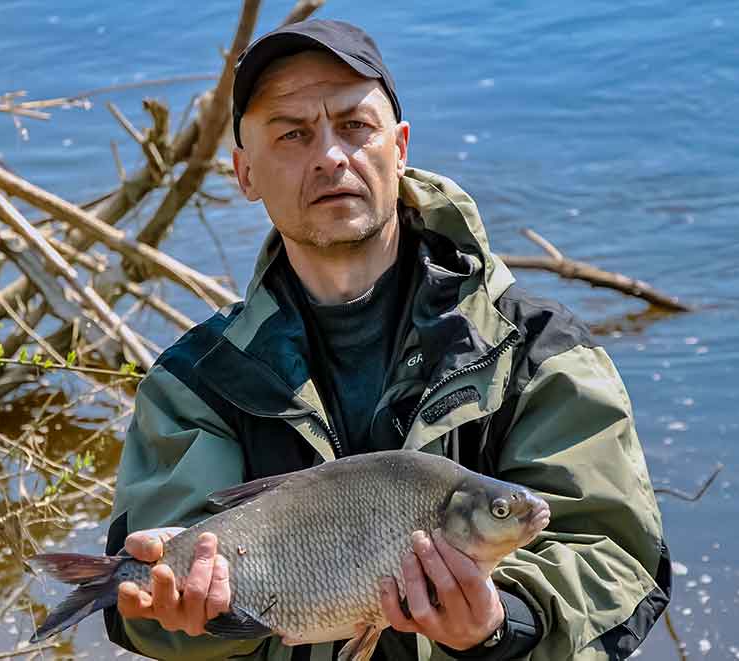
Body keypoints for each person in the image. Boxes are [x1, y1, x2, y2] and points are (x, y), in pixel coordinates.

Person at [103, 18, 670, 661]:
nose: (330, 156)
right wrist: (178, 618)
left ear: (398, 147)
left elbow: (617, 559)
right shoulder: (195, 381)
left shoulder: (536, 349)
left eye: (355, 126)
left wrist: (498, 624)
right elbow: (141, 606)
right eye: (292, 133)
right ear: (244, 171)